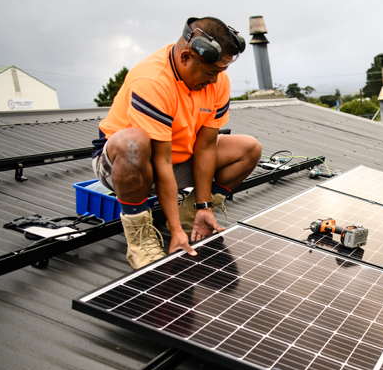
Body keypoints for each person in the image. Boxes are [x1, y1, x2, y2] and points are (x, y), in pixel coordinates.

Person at [91, 17, 262, 269]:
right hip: (127, 165)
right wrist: (172, 229)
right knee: (133, 142)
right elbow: (161, 161)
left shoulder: (217, 80)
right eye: (209, 73)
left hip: (178, 158)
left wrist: (204, 205)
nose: (214, 81)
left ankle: (190, 216)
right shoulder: (152, 81)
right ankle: (140, 238)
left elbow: (205, 147)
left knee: (249, 148)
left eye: (219, 73)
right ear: (185, 58)